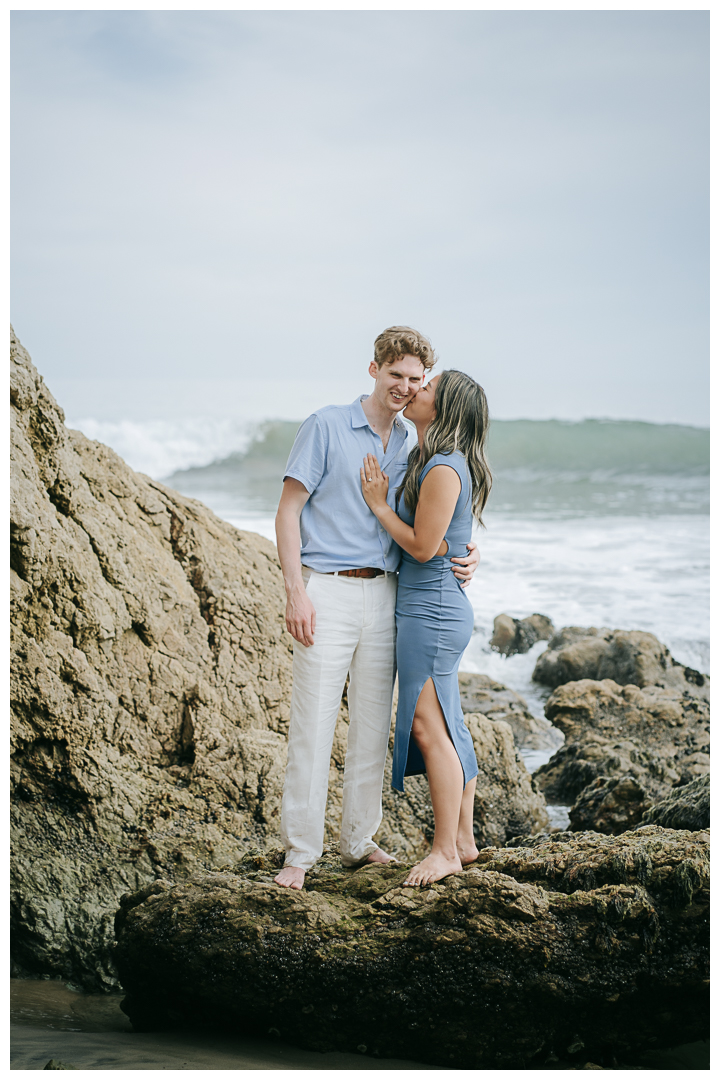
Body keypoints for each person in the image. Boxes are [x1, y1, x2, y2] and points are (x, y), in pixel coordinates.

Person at [273, 327, 480, 890]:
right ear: (374, 370)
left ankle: (360, 840)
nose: (405, 388)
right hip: (328, 590)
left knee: (372, 728)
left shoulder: (417, 446)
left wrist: (468, 552)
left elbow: (436, 521)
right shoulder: (326, 426)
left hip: (388, 592)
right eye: (397, 376)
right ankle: (300, 853)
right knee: (313, 726)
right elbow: (288, 510)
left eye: (416, 380)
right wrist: (296, 590)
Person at [360, 368, 492, 886]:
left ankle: (444, 852)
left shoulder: (441, 467)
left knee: (427, 726)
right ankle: (462, 839)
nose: (418, 390)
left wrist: (375, 504)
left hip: (431, 610)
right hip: (435, 604)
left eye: (429, 387)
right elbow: (438, 541)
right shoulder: (431, 461)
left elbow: (420, 545)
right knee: (450, 722)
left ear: (445, 409)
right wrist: (458, 549)